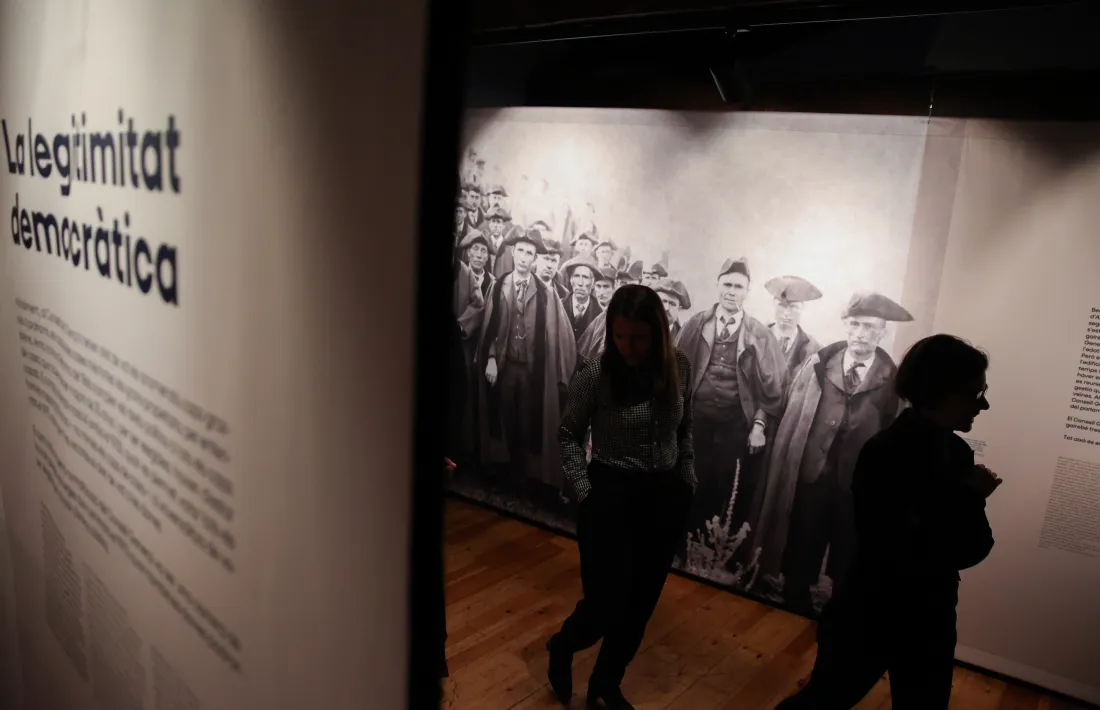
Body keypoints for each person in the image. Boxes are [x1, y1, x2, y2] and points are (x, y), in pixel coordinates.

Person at [775, 334, 998, 710]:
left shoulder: (952, 452)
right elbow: (908, 549)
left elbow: (973, 546)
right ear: (941, 392)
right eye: (974, 394)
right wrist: (968, 497)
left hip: (922, 615)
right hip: (875, 612)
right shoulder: (886, 454)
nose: (984, 404)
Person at [547, 285, 696, 710]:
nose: (628, 347)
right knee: (604, 605)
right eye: (620, 336)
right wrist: (586, 492)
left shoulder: (680, 368)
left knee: (639, 606)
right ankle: (562, 645)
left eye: (639, 338)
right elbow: (567, 434)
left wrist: (686, 480)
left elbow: (686, 429)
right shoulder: (596, 373)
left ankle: (605, 684)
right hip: (609, 495)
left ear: (659, 334)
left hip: (663, 498)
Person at [751, 292, 912, 614]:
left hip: (857, 484)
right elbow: (794, 413)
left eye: (869, 327)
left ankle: (840, 604)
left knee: (847, 543)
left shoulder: (891, 379)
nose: (860, 334)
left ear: (882, 332)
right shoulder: (822, 365)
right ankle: (795, 593)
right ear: (846, 326)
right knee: (804, 535)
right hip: (814, 472)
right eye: (855, 325)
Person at [676, 257, 786, 565]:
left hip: (735, 424)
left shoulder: (760, 335)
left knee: (722, 483)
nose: (731, 292)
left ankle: (707, 547)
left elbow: (772, 390)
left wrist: (759, 426)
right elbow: (676, 370)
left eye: (739, 287)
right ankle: (679, 545)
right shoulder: (698, 323)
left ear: (747, 292)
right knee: (688, 478)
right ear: (717, 285)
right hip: (696, 419)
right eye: (727, 284)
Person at [476, 228, 577, 494]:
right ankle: (504, 470)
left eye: (529, 253)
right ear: (512, 252)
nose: (523, 257)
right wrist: (490, 359)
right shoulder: (499, 286)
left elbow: (558, 334)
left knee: (528, 419)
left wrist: (557, 372)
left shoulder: (545, 293)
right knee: (504, 415)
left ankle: (524, 476)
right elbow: (489, 328)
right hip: (505, 365)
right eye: (520, 250)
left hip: (533, 371)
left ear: (535, 258)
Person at [765, 275, 823, 379]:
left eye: (793, 307)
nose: (786, 313)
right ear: (773, 303)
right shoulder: (755, 339)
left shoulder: (813, 348)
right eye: (782, 305)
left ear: (802, 308)